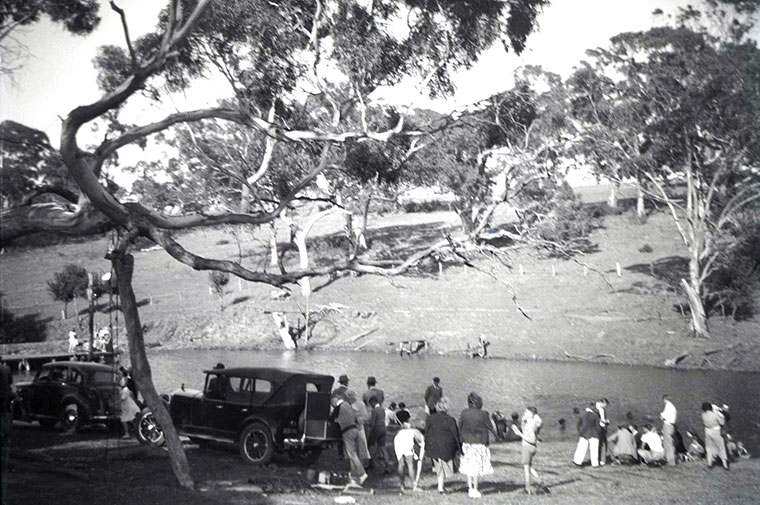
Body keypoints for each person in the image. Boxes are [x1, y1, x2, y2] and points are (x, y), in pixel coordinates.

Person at [459, 392, 496, 499]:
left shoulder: (464, 413)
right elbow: (490, 428)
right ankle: (475, 489)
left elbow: (460, 426)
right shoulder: (484, 414)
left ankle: (470, 488)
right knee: (476, 467)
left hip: (466, 442)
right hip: (479, 442)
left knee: (469, 466)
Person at [424, 397, 460, 494]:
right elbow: (456, 435)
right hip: (446, 447)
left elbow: (426, 433)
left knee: (439, 466)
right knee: (443, 467)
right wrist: (459, 449)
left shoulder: (430, 418)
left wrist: (426, 446)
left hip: (433, 446)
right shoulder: (451, 420)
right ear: (446, 407)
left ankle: (441, 487)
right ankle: (440, 488)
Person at [330, 396, 368, 486]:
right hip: (355, 430)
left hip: (347, 432)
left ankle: (362, 474)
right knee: (354, 455)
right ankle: (354, 477)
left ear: (335, 401)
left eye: (333, 404)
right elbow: (357, 417)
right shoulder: (348, 405)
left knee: (352, 454)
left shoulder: (338, 408)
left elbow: (331, 419)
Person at [511, 407, 544, 495]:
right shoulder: (534, 422)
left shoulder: (530, 424)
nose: (524, 413)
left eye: (526, 412)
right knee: (529, 467)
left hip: (527, 447)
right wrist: (521, 424)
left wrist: (520, 434)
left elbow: (532, 439)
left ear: (531, 414)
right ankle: (540, 482)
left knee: (526, 468)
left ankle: (527, 488)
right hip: (532, 448)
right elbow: (538, 424)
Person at [394, 409, 424, 492]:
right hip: (407, 437)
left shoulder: (399, 428)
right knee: (410, 464)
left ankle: (401, 485)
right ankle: (414, 485)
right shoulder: (409, 426)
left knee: (401, 463)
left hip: (398, 438)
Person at [345, 390, 371, 465]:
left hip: (359, 429)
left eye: (350, 397)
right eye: (347, 397)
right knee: (351, 451)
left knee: (361, 450)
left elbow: (366, 417)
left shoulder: (360, 404)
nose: (349, 398)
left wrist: (357, 419)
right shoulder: (346, 404)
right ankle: (353, 469)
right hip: (349, 430)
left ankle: (361, 469)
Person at [701, 402, 729, 470]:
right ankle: (725, 465)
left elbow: (704, 424)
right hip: (716, 431)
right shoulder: (715, 415)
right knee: (721, 447)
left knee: (709, 448)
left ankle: (709, 463)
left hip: (707, 431)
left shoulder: (703, 415)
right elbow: (722, 423)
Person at [573, 402, 600, 467]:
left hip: (584, 434)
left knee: (581, 448)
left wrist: (580, 432)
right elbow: (598, 426)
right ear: (592, 407)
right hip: (593, 434)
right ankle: (595, 463)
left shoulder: (582, 414)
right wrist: (599, 433)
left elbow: (578, 425)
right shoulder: (595, 415)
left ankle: (577, 461)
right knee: (594, 449)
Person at [367, 397, 389, 473]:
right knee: (383, 448)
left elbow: (372, 422)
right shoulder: (382, 409)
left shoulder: (374, 410)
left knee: (370, 445)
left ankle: (371, 463)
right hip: (383, 429)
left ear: (373, 402)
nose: (371, 406)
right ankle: (386, 466)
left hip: (376, 429)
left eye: (371, 404)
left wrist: (369, 428)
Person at [659, 395, 677, 466]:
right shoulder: (673, 407)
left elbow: (664, 416)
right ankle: (669, 459)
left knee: (667, 443)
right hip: (671, 426)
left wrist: (661, 416)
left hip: (667, 425)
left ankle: (670, 461)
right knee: (670, 443)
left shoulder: (668, 406)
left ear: (665, 399)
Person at [596, 399, 610, 465]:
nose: (606, 406)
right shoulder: (601, 410)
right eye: (605, 404)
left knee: (599, 444)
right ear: (602, 403)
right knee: (603, 444)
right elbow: (600, 420)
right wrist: (606, 421)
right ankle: (602, 460)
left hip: (597, 428)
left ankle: (598, 459)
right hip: (602, 428)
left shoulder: (596, 408)